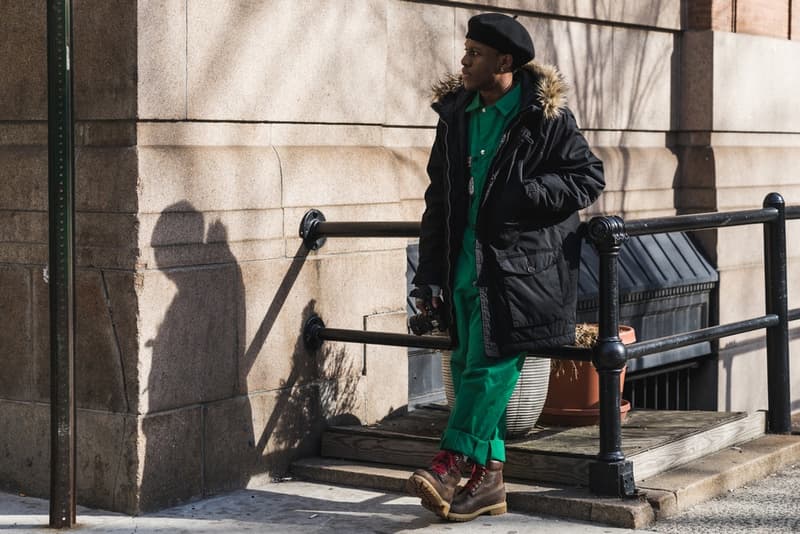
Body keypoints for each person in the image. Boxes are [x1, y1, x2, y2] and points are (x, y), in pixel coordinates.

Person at [406, 12, 605, 523]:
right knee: (466, 365)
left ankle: (452, 462)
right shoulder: (455, 116)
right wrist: (428, 275)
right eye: (466, 50)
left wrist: (528, 194)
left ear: (505, 61)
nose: (464, 59)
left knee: (492, 368)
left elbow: (587, 177)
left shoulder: (545, 116)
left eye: (475, 52)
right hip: (463, 267)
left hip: (522, 272)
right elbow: (439, 201)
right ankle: (490, 480)